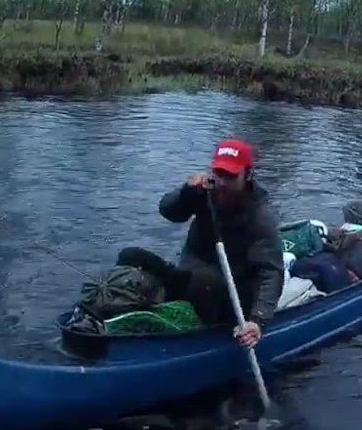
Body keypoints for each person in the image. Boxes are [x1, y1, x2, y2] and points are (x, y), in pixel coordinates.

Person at [115, 138, 285, 349]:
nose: (222, 183)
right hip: (192, 280)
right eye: (219, 173)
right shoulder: (204, 193)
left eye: (231, 176)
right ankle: (131, 314)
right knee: (131, 256)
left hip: (232, 296)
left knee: (203, 279)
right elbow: (168, 211)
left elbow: (271, 272)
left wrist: (257, 320)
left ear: (247, 175)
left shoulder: (261, 215)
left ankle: (192, 334)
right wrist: (187, 193)